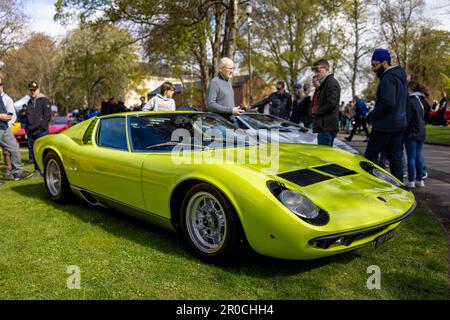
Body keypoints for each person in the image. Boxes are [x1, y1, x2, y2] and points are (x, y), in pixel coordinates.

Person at [364, 49, 407, 181]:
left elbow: (388, 103)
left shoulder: (388, 78)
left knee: (369, 158)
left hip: (385, 126)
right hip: (399, 124)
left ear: (384, 63)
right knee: (395, 159)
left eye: (375, 65)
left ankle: (371, 184)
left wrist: (371, 116)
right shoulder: (400, 78)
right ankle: (400, 190)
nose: (373, 69)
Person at [0, 78, 33, 181]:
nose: (0, 85)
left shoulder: (4, 98)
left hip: (4, 127)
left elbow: (9, 113)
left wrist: (8, 116)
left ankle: (17, 172)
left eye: (0, 83)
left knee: (14, 147)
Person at [311, 59, 341, 146]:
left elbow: (332, 103)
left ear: (326, 69)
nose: (316, 73)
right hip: (324, 126)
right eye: (314, 70)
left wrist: (316, 111)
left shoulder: (331, 82)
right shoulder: (324, 83)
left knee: (323, 156)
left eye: (318, 70)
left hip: (327, 127)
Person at [26, 81, 52, 175]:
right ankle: (37, 170)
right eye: (31, 90)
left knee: (42, 151)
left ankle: (45, 170)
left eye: (34, 90)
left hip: (41, 131)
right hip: (31, 131)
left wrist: (42, 127)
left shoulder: (44, 100)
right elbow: (27, 116)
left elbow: (47, 116)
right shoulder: (29, 101)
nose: (33, 91)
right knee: (34, 152)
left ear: (38, 89)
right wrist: (27, 128)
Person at [404, 81, 426, 188]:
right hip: (421, 131)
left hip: (412, 132)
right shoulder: (422, 100)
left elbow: (407, 118)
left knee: (411, 157)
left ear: (410, 89)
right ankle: (420, 180)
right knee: (419, 156)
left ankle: (411, 180)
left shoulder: (410, 100)